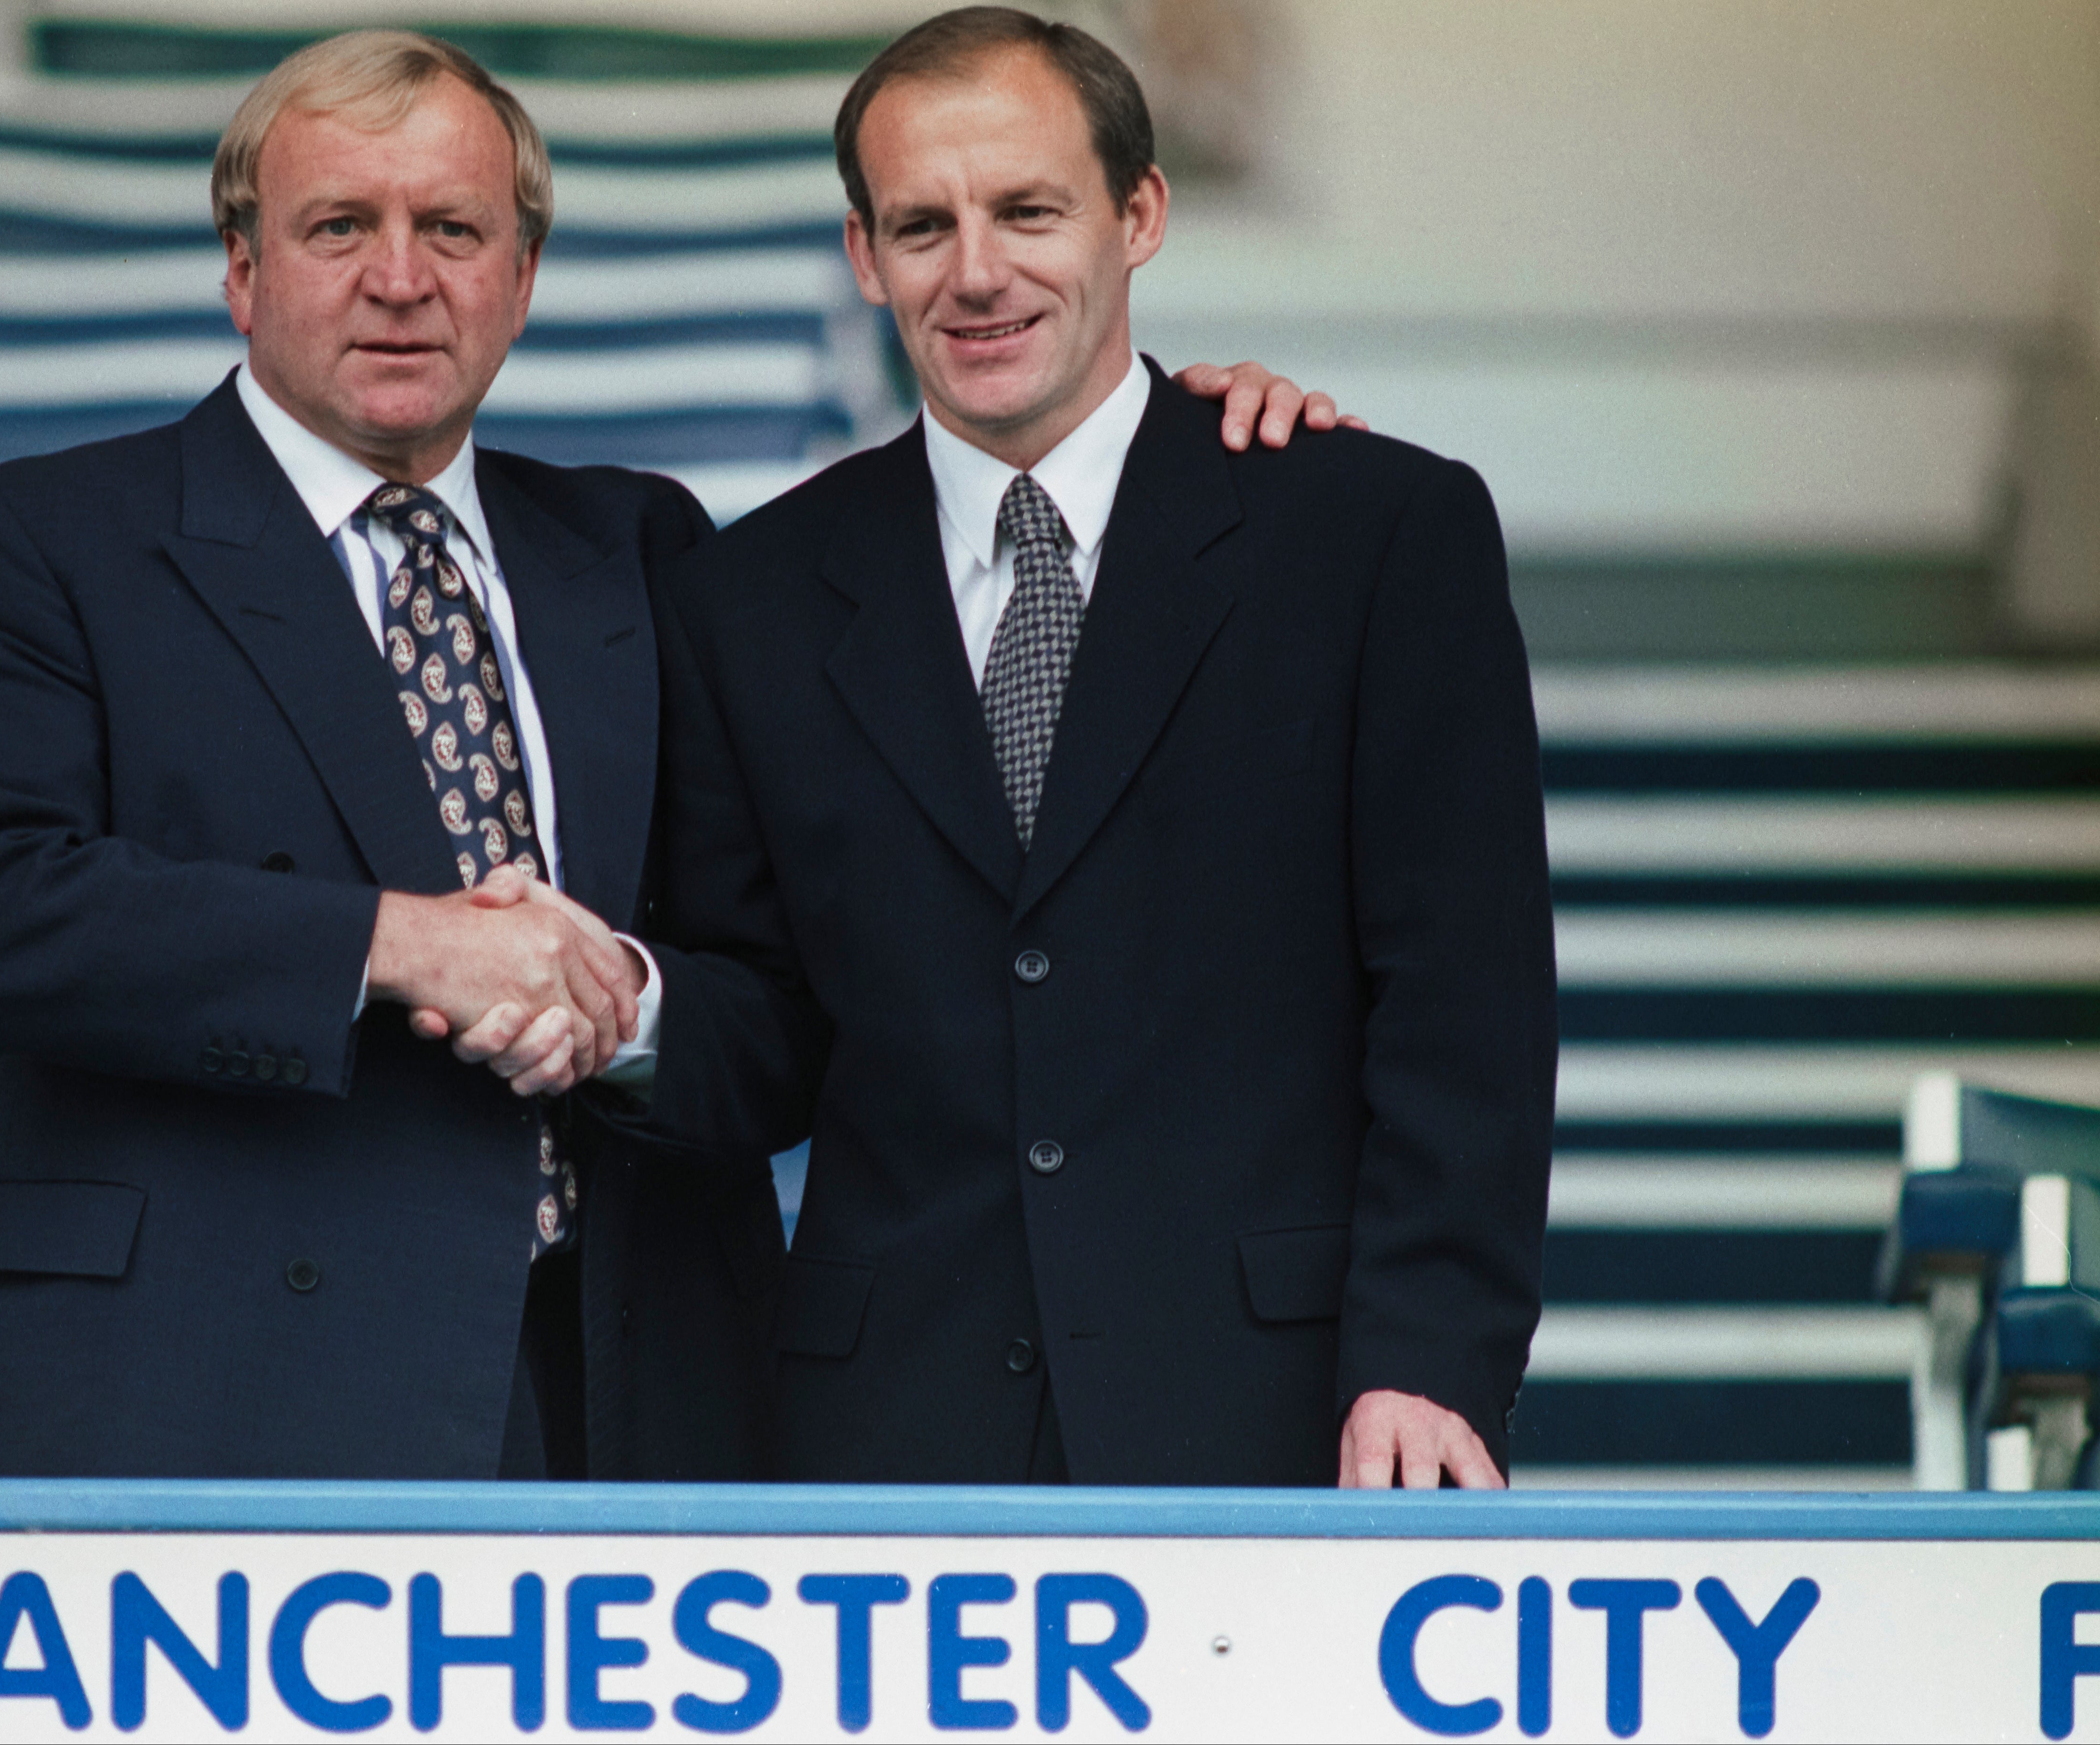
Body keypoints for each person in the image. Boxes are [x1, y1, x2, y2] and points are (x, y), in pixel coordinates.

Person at [0, 26, 1354, 1481]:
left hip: (616, 1395)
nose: (401, 279)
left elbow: (784, 984)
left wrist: (629, 1009)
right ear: (242, 267)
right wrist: (403, 947)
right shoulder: (37, 543)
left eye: (454, 230)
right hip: (207, 1394)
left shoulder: (644, 553)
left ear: (520, 280)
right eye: (340, 226)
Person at [570, 7, 1555, 1488]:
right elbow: (769, 1029)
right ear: (863, 256)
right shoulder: (747, 601)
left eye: (1028, 210)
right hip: (886, 1439)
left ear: (1138, 214)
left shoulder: (1371, 537)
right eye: (923, 224)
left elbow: (1464, 1004)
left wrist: (1427, 1358)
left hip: (1283, 1421)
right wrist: (615, 1007)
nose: (977, 273)